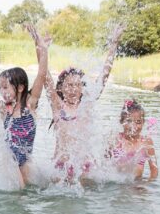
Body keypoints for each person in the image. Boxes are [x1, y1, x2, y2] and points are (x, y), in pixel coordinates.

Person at [44, 24, 125, 181]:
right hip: (61, 165)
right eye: (69, 85)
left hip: (85, 166)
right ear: (61, 88)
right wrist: (42, 50)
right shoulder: (57, 106)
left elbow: (104, 76)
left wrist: (114, 43)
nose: (73, 89)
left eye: (77, 85)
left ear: (82, 88)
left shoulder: (86, 105)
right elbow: (46, 79)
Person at [0, 23, 50, 187]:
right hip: (8, 160)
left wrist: (44, 50)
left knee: (30, 189)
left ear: (20, 87)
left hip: (25, 160)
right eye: (1, 87)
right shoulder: (4, 109)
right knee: (19, 189)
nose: (2, 91)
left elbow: (42, 76)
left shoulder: (30, 105)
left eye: (5, 87)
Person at [107, 99, 158, 181]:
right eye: (129, 121)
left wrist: (150, 184)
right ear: (121, 122)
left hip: (137, 184)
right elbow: (102, 165)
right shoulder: (115, 139)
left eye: (138, 122)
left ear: (143, 123)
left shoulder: (146, 142)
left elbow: (154, 169)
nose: (133, 126)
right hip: (116, 185)